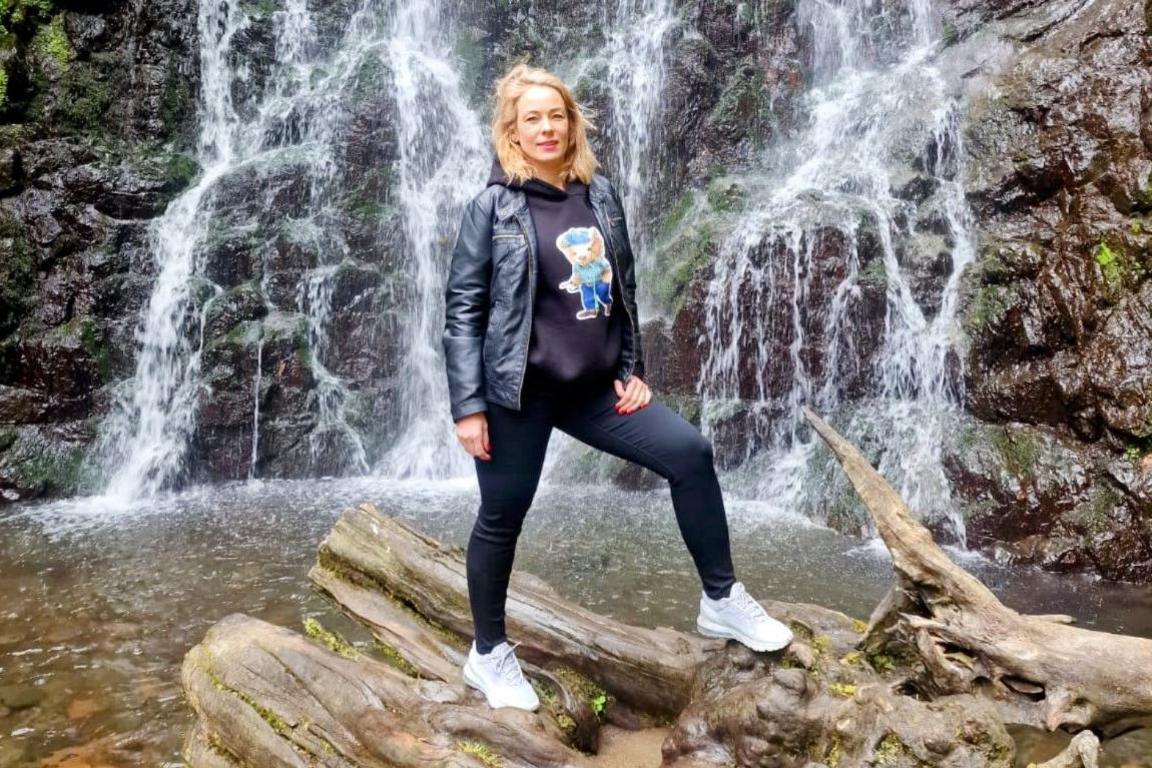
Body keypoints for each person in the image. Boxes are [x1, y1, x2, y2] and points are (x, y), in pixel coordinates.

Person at [442, 62, 792, 712]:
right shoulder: (492, 207)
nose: (547, 128)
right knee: (502, 514)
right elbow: (463, 311)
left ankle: (721, 600)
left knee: (688, 453)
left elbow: (621, 290)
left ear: (572, 124)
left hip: (594, 387)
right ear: (512, 132)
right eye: (532, 119)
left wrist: (630, 368)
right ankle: (488, 653)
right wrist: (468, 407)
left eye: (557, 116)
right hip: (517, 393)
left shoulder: (599, 194)